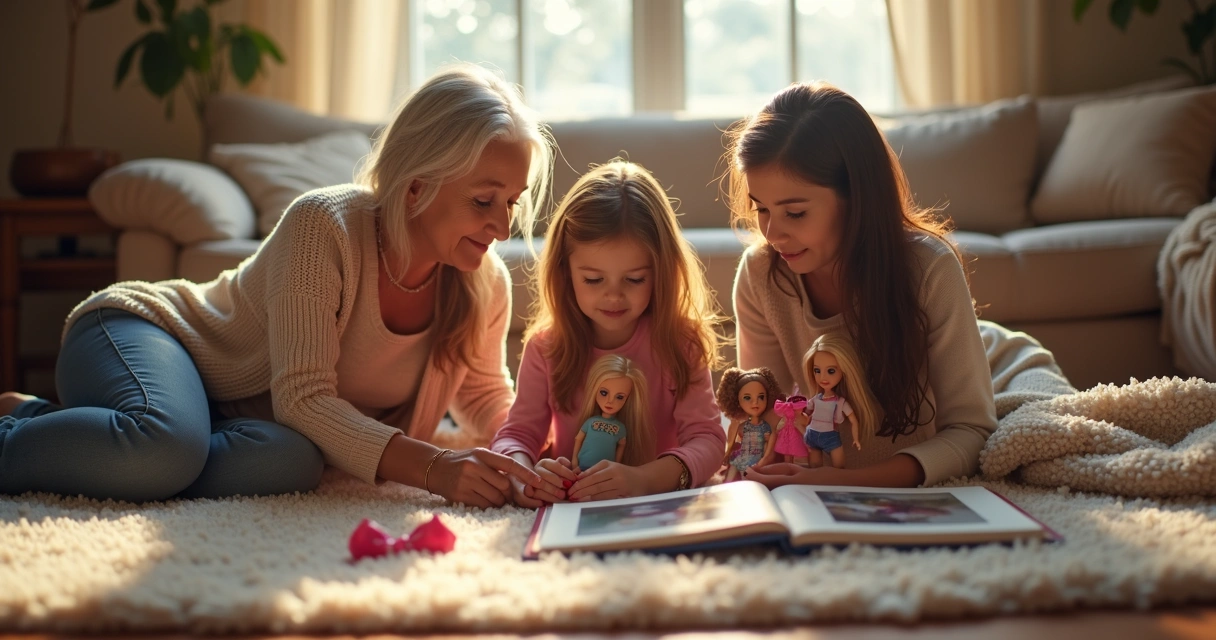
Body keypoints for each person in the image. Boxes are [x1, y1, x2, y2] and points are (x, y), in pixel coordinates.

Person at [0, 64, 549, 507]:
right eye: (484, 200)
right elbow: (305, 399)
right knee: (165, 447)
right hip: (143, 334)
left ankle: (71, 429)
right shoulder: (324, 226)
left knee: (292, 464)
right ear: (415, 187)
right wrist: (434, 466)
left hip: (230, 416)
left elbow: (483, 392)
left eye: (511, 203)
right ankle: (29, 436)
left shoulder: (481, 281)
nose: (502, 228)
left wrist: (528, 451)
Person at [728, 81, 1001, 489]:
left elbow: (972, 431)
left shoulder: (930, 269)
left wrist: (847, 482)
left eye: (796, 213)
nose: (772, 233)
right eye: (761, 208)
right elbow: (765, 414)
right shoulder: (761, 275)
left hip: (1002, 355)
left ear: (858, 197)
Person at [491, 160, 728, 506]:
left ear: (661, 273)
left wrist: (645, 480)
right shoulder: (547, 347)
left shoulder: (681, 343)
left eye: (634, 279)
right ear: (564, 272)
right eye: (593, 279)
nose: (614, 296)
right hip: (574, 505)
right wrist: (527, 477)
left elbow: (707, 439)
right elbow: (517, 435)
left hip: (655, 502)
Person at [798, 331, 879, 468]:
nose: (823, 377)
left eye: (831, 371)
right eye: (817, 371)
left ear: (845, 370)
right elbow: (806, 414)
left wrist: (856, 439)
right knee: (814, 471)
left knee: (839, 469)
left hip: (830, 437)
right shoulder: (815, 399)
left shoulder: (840, 402)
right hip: (812, 434)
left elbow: (853, 420)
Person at [570, 353, 650, 471]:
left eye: (619, 397)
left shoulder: (621, 428)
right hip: (582, 466)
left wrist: (616, 466)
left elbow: (621, 448)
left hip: (605, 471)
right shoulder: (590, 422)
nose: (610, 401)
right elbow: (578, 439)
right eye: (604, 393)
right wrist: (574, 460)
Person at [716, 366, 781, 482]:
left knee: (746, 471)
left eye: (761, 397)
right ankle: (728, 484)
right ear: (737, 401)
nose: (755, 402)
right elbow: (733, 442)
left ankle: (745, 483)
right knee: (735, 466)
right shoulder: (740, 426)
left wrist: (764, 457)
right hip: (744, 455)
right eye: (747, 398)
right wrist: (728, 453)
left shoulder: (766, 426)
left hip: (758, 458)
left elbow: (768, 447)